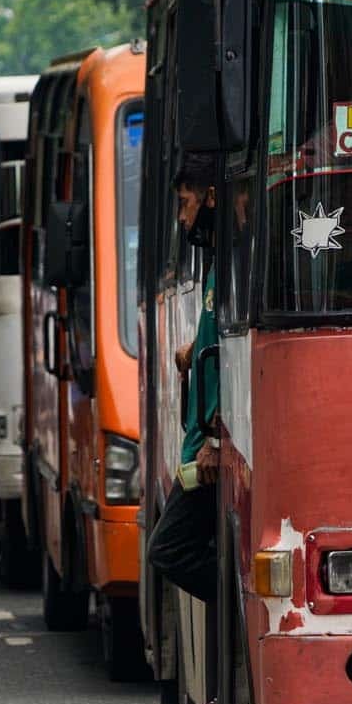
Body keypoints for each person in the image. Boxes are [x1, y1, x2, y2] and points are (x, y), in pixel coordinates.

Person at [146, 157, 221, 607]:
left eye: (184, 203)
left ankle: (241, 605)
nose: (181, 216)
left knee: (169, 550)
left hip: (209, 452)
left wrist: (215, 439)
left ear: (210, 197)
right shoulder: (219, 263)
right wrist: (195, 347)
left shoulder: (236, 263)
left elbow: (238, 359)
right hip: (199, 445)